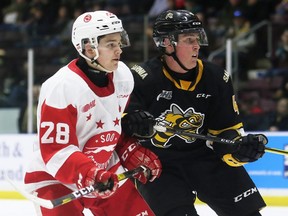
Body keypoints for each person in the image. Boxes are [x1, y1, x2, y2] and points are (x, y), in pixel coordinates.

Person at [126, 9, 267, 216]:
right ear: (166, 43)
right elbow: (121, 125)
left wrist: (237, 149)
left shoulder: (217, 78)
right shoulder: (141, 78)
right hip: (159, 164)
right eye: (189, 39)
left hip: (204, 157)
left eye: (197, 38)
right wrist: (131, 121)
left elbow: (225, 132)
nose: (196, 45)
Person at [23, 10, 162, 216]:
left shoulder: (123, 76)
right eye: (111, 44)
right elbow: (56, 151)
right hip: (56, 177)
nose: (119, 50)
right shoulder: (60, 87)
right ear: (89, 48)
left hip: (104, 171)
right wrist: (90, 173)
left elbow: (111, 126)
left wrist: (128, 149)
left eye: (119, 42)